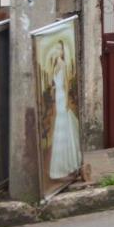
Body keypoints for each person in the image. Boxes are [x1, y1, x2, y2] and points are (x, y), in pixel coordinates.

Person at [47, 39, 81, 179]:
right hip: (58, 96)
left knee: (64, 127)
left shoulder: (63, 64)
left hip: (62, 98)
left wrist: (66, 101)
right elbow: (53, 83)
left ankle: (68, 164)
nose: (58, 51)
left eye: (60, 49)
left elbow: (66, 85)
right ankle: (61, 165)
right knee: (60, 128)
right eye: (56, 49)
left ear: (63, 51)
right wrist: (54, 87)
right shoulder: (55, 65)